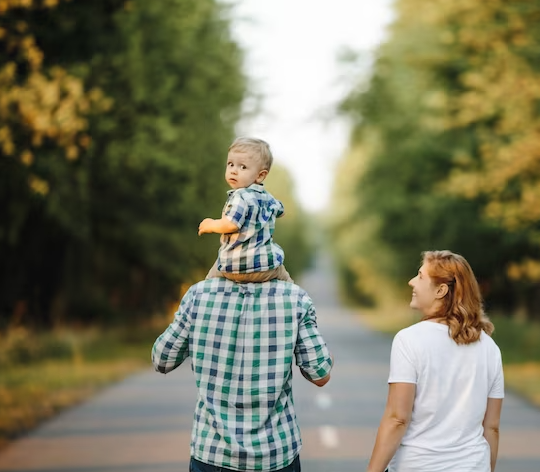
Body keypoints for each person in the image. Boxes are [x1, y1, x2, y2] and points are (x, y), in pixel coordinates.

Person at [151, 276, 333, 472]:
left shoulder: (198, 295)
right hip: (275, 455)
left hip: (213, 454)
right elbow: (320, 374)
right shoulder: (295, 297)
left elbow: (162, 360)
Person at [367, 250, 504, 472]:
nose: (412, 282)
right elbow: (492, 427)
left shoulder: (409, 340)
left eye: (420, 276)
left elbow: (397, 419)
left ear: (441, 290)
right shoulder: (490, 348)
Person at [198, 137, 292, 283]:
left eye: (242, 167)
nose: (234, 171)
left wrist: (211, 224)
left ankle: (205, 296)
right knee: (284, 276)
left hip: (233, 266)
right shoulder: (268, 198)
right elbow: (281, 209)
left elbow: (231, 224)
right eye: (230, 164)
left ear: (260, 175)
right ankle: (292, 297)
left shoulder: (240, 196)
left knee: (210, 278)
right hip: (265, 267)